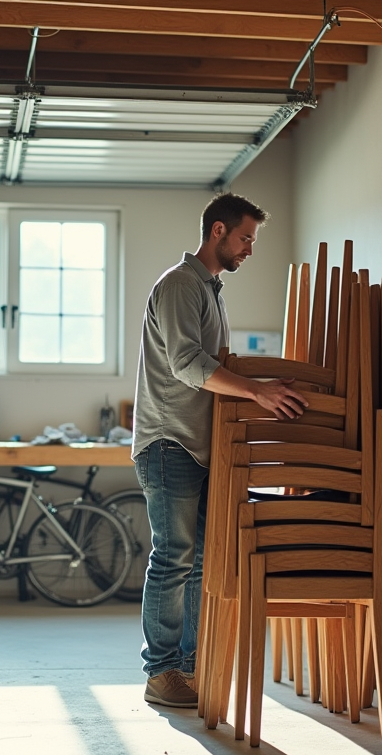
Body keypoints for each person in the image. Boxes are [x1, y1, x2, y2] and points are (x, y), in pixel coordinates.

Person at [132, 192, 308, 708]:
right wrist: (257, 390)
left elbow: (215, 367)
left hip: (200, 445)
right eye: (246, 237)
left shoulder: (210, 289)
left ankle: (187, 667)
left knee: (203, 560)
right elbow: (187, 363)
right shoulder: (181, 285)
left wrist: (260, 386)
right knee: (173, 557)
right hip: (170, 440)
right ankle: (161, 672)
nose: (250, 249)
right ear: (218, 231)